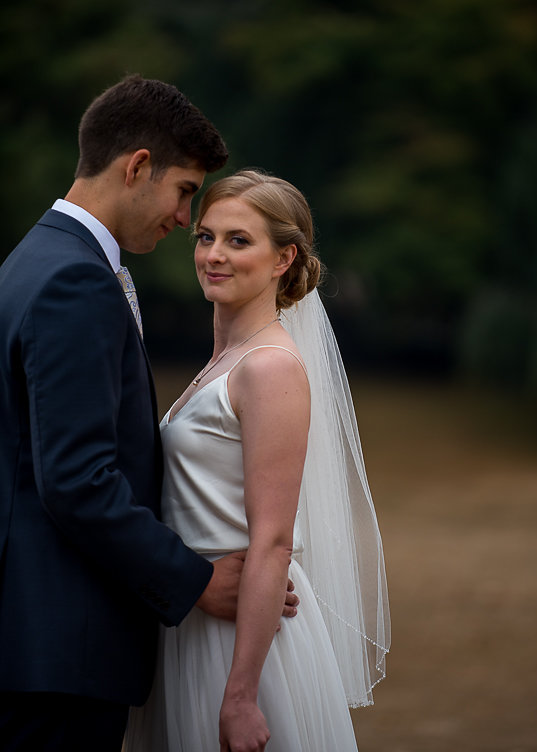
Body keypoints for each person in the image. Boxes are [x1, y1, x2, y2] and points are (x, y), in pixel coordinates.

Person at [0, 78, 298, 752]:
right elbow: (76, 479)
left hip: (36, 644)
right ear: (136, 167)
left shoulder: (30, 261)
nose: (186, 220)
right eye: (185, 190)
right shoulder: (75, 280)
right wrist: (192, 581)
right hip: (57, 656)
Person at [124, 169, 390, 752]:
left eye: (238, 241)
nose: (214, 255)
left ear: (283, 259)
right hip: (191, 614)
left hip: (239, 641)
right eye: (205, 236)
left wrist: (241, 694)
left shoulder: (268, 368)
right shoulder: (225, 362)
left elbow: (272, 541)